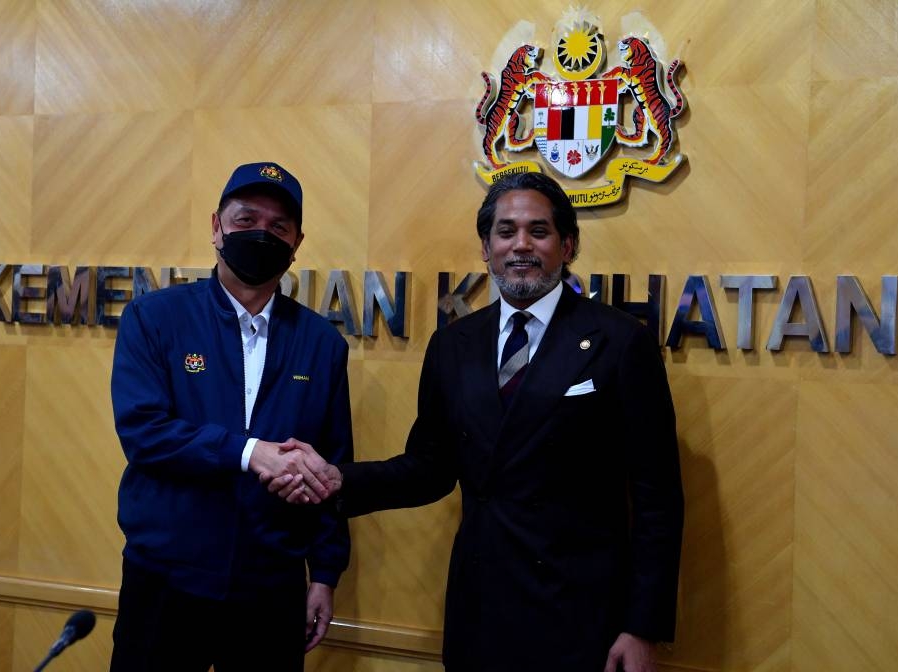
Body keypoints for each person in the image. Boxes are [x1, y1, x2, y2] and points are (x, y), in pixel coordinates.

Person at [269, 172, 684, 672]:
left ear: (568, 245)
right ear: (486, 248)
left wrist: (642, 627)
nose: (521, 245)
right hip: (482, 608)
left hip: (583, 615)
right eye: (505, 232)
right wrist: (339, 480)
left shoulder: (619, 341)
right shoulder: (454, 344)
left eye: (539, 231)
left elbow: (658, 497)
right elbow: (430, 468)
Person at [110, 161, 350, 671]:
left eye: (278, 227)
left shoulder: (322, 344)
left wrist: (325, 573)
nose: (260, 234)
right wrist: (248, 452)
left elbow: (331, 467)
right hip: (167, 579)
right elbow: (143, 432)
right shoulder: (154, 318)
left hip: (271, 586)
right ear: (216, 226)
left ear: (296, 243)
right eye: (245, 220)